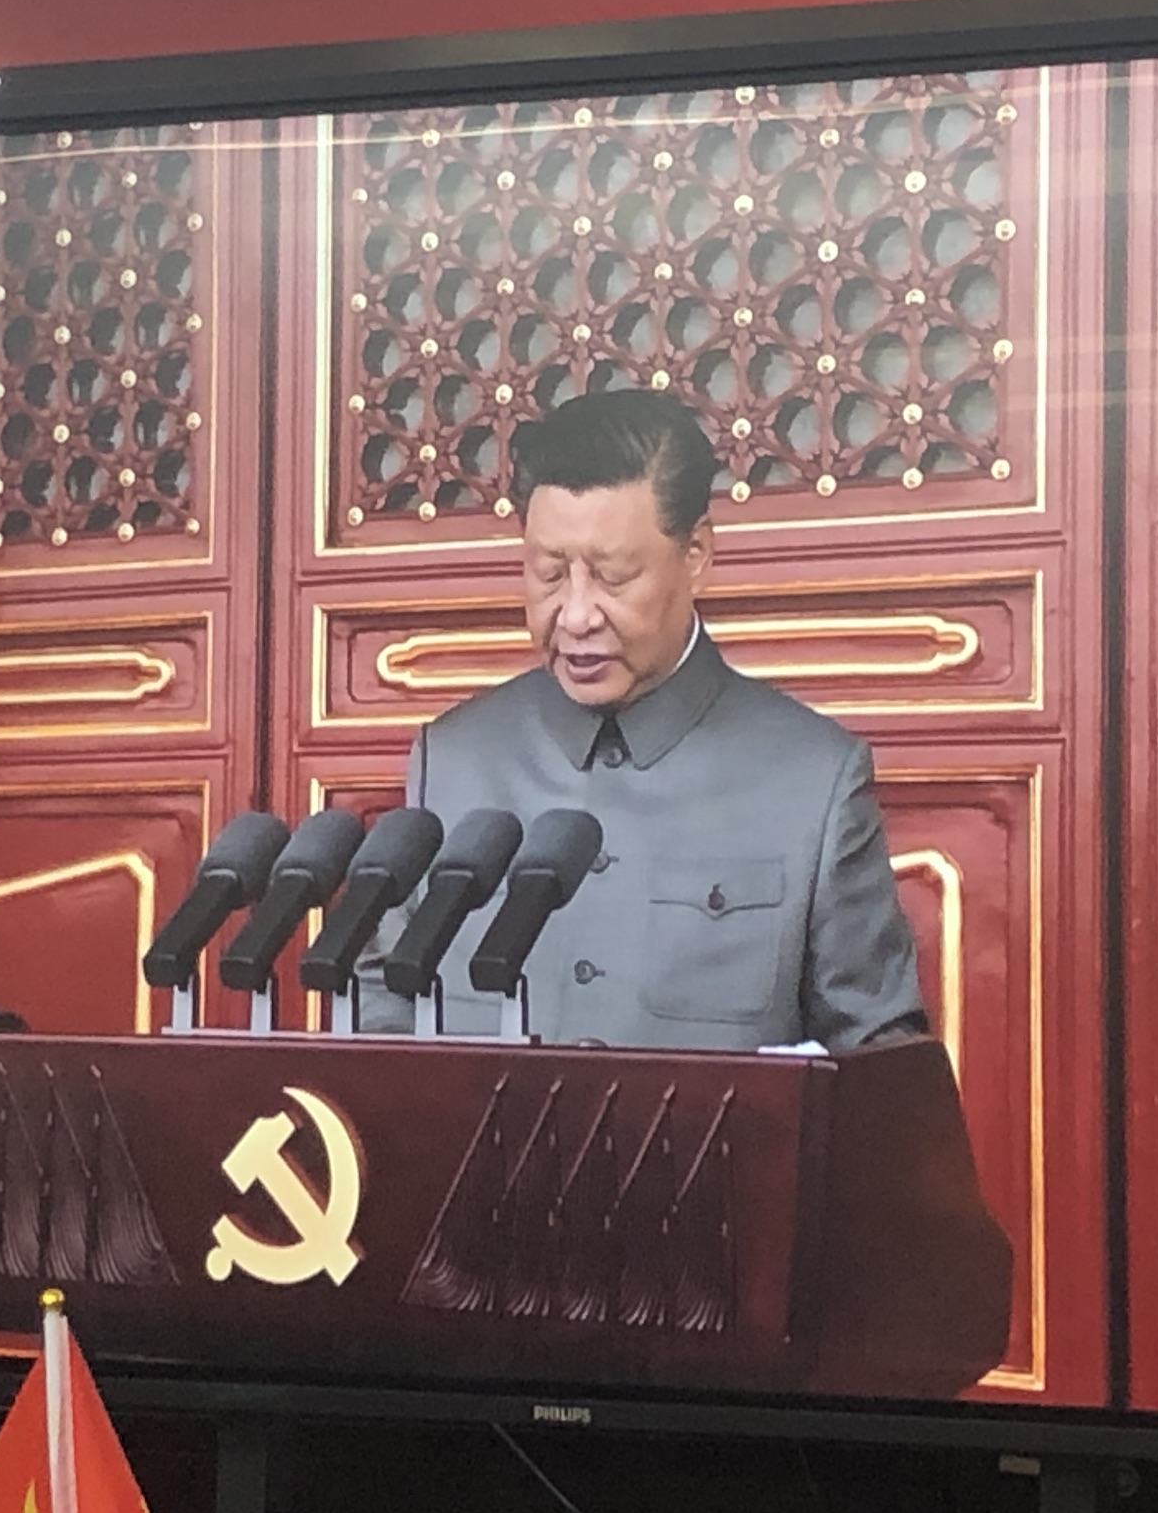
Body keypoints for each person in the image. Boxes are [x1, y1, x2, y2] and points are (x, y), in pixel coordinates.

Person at [371, 387, 928, 1052]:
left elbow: (879, 1058)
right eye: (550, 574)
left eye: (612, 577)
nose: (577, 615)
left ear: (696, 555)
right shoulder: (456, 760)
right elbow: (382, 1013)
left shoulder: (814, 779)